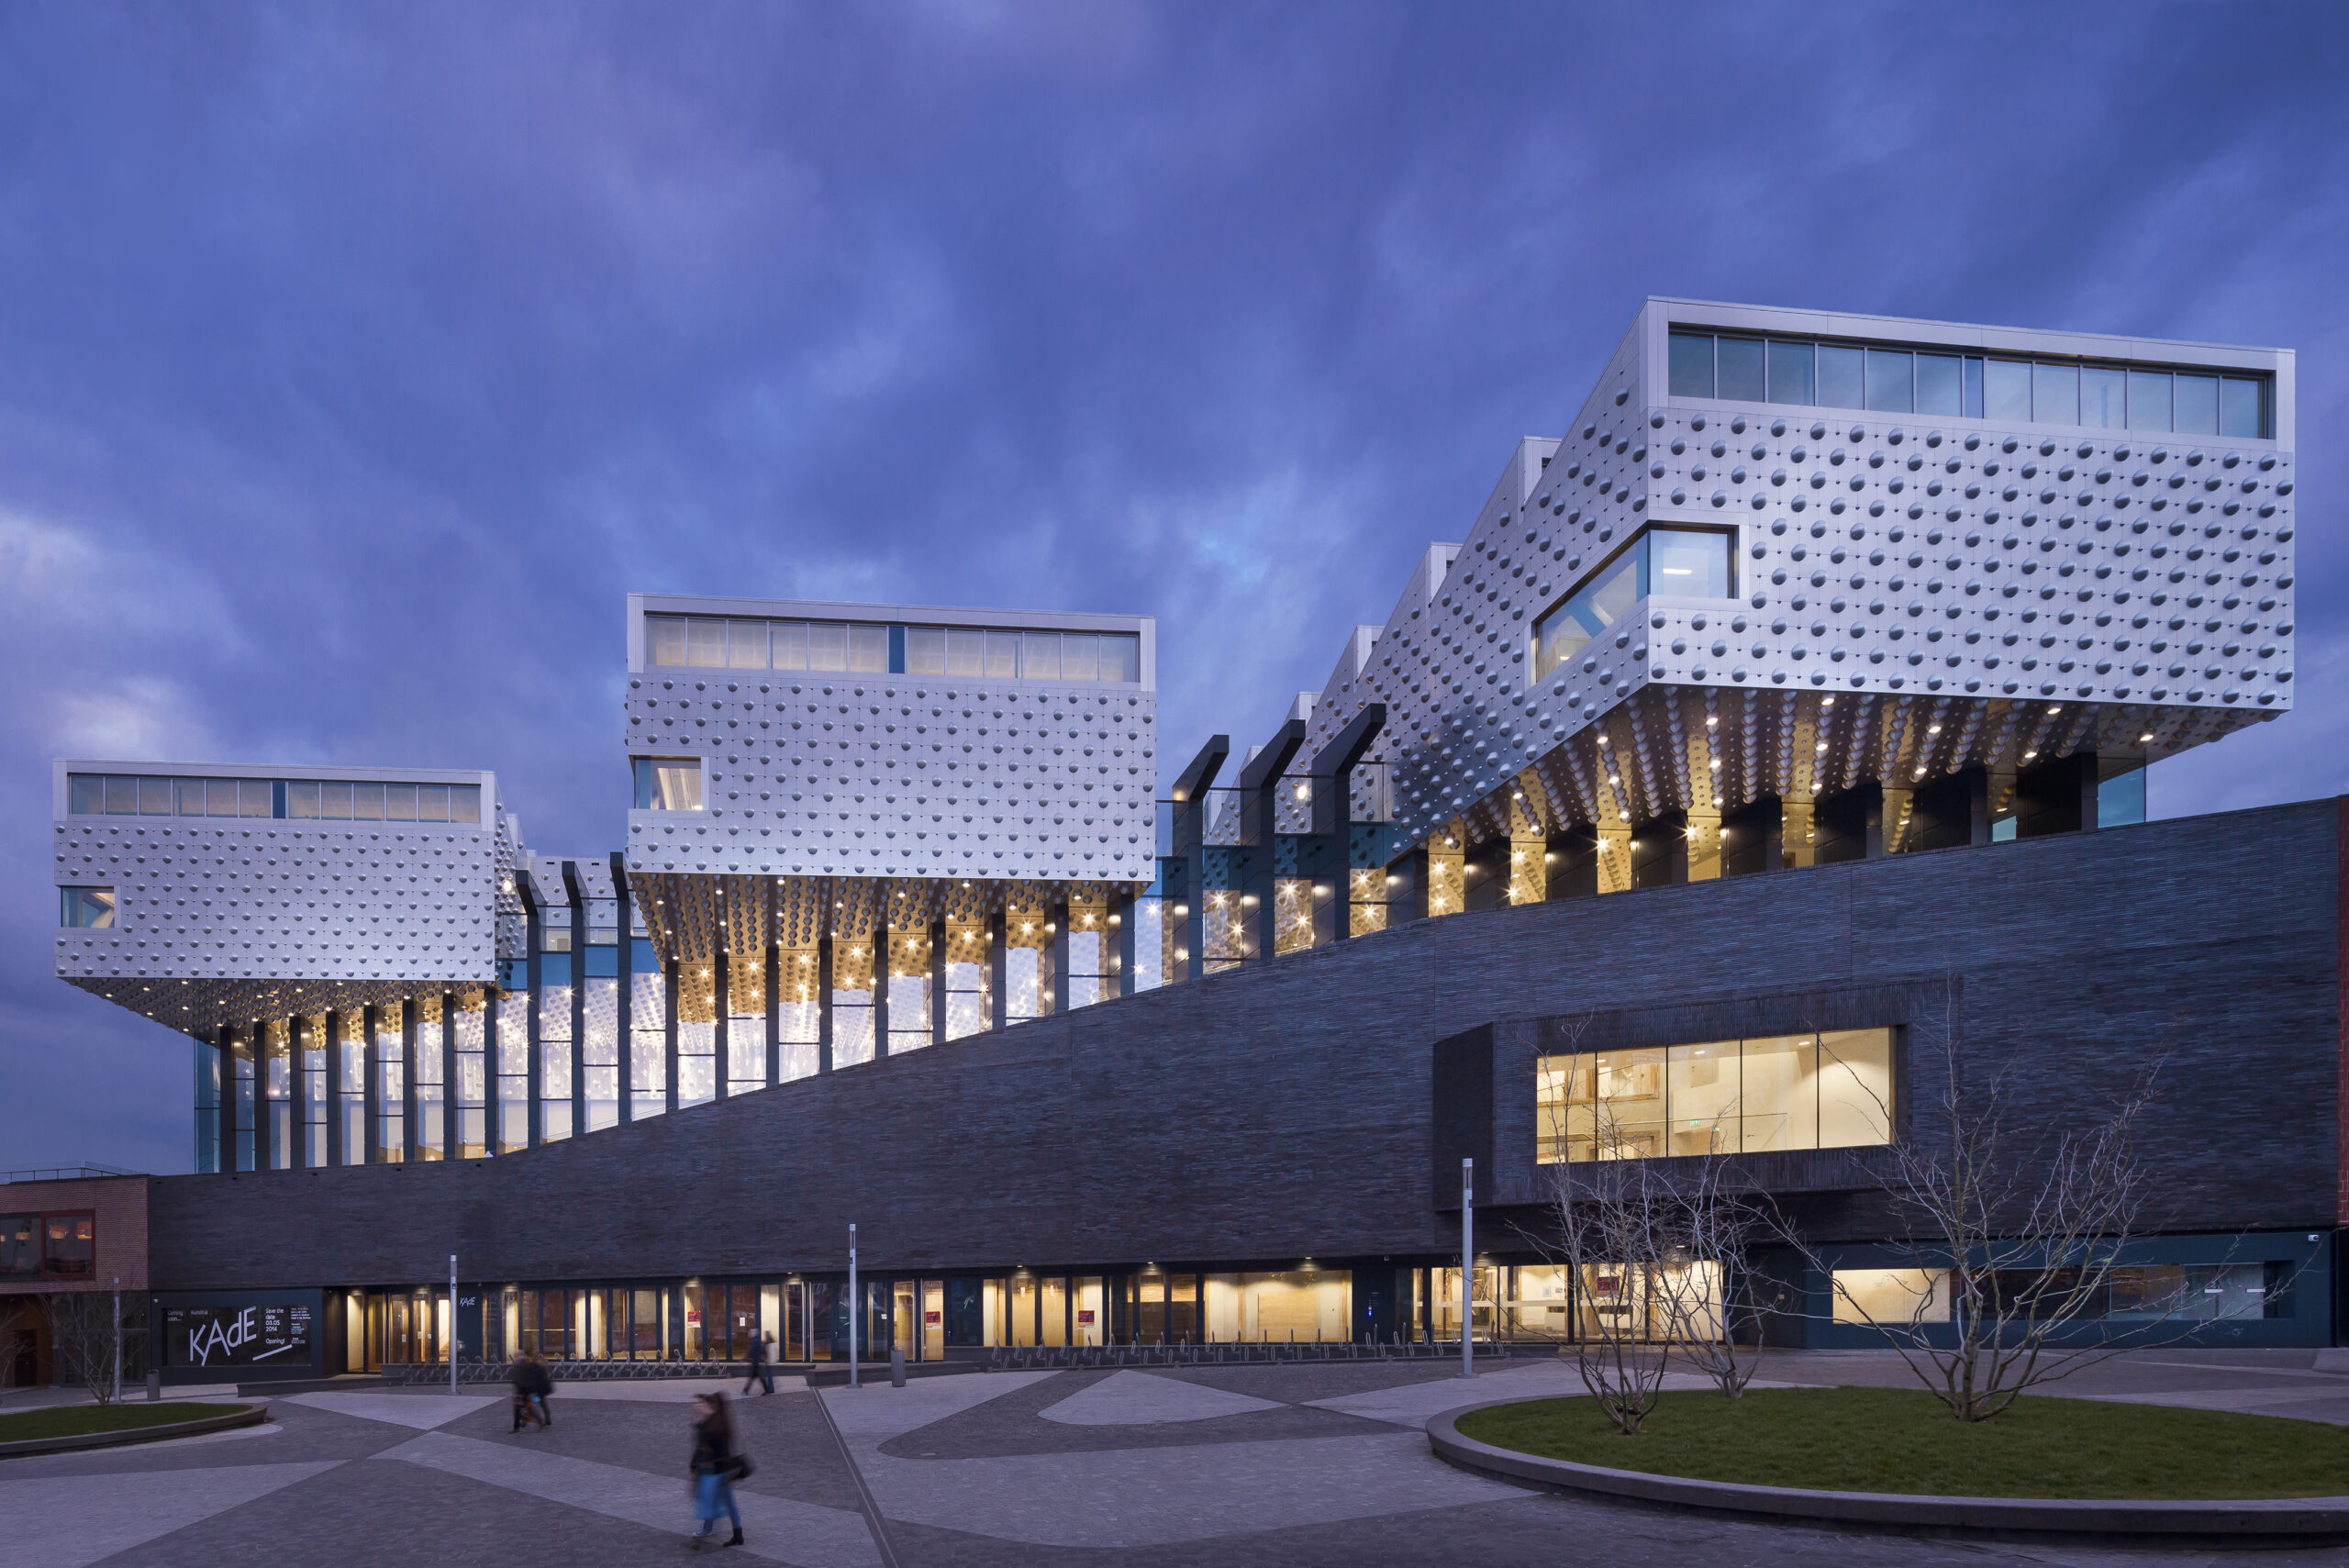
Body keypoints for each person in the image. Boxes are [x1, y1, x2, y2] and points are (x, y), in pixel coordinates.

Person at [687, 1392, 745, 1550]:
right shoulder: (710, 1422)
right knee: (714, 1499)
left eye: (700, 1403)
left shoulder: (718, 1424)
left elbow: (716, 1448)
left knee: (714, 1500)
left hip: (718, 1470)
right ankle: (726, 1531)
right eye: (696, 1403)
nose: (697, 1406)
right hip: (713, 1470)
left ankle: (728, 1533)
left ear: (711, 1405)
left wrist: (704, 1461)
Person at [510, 1348, 552, 1432]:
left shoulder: (536, 1364)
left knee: (534, 1405)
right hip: (534, 1390)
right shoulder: (533, 1363)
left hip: (536, 1390)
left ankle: (542, 1421)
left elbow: (536, 1377)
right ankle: (529, 1422)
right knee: (531, 1405)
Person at [743, 1331, 774, 1396]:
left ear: (752, 1335)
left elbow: (752, 1351)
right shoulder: (758, 1341)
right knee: (755, 1377)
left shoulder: (754, 1341)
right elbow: (762, 1351)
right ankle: (746, 1390)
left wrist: (746, 1358)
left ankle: (746, 1390)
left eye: (750, 1335)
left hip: (755, 1362)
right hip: (757, 1361)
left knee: (758, 1377)